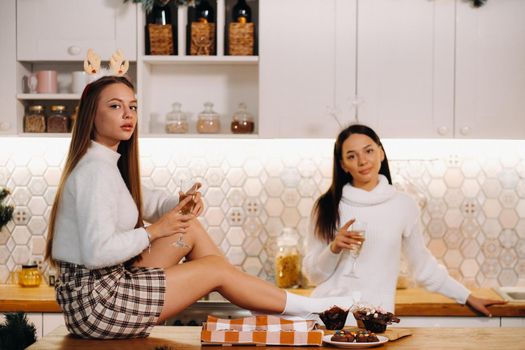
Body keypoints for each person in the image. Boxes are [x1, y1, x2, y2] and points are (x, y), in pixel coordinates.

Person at [44, 75, 353, 340]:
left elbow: (147, 202)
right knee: (217, 270)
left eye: (133, 106)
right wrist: (155, 231)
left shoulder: (107, 164)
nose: (128, 114)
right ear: (91, 116)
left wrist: (179, 205)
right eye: (115, 106)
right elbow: (97, 253)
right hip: (96, 304)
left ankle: (275, 302)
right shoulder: (94, 172)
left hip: (104, 290)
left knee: (190, 230)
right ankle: (311, 308)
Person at [302, 124, 506, 318]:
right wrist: (333, 249)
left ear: (381, 152)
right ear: (343, 165)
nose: (362, 161)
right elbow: (313, 275)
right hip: (328, 320)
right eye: (351, 156)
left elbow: (424, 268)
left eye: (369, 151)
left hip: (374, 322)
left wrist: (467, 296)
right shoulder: (327, 206)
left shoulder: (403, 205)